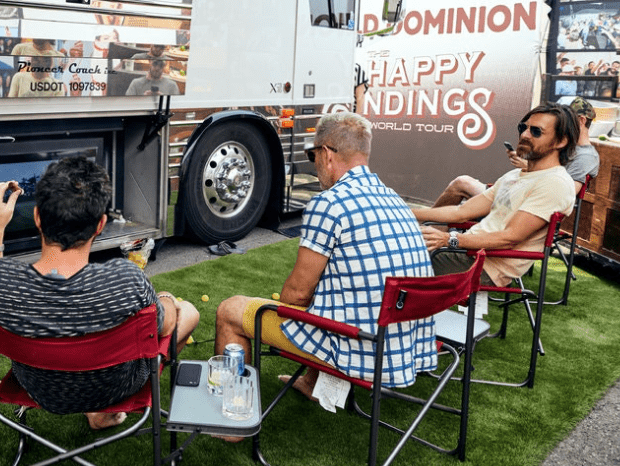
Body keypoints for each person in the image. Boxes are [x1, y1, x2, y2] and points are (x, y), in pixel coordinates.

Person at [214, 112, 436, 404]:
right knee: (330, 296)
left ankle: (231, 417)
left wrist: (276, 311)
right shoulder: (395, 198)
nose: (314, 162)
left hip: (357, 346)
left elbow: (297, 294)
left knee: (231, 311)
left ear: (327, 154)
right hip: (404, 345)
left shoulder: (329, 202)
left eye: (312, 154)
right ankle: (311, 383)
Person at [0, 156, 199, 430]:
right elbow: (165, 326)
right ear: (100, 224)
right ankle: (102, 413)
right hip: (114, 389)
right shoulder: (126, 280)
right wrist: (164, 297)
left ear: (37, 217)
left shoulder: (1, 281)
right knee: (187, 312)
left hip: (39, 389)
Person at [413, 103, 578, 287]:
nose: (524, 135)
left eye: (536, 131)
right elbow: (460, 213)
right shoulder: (516, 175)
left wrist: (449, 239)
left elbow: (509, 238)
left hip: (483, 265)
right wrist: (406, 211)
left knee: (395, 258)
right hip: (468, 252)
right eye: (523, 128)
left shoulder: (555, 183)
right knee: (396, 249)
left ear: (561, 141)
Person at [431, 97, 599, 207]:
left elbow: (564, 193)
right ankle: (430, 234)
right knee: (461, 198)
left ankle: (423, 234)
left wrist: (528, 167)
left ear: (581, 121)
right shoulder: (564, 146)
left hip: (523, 203)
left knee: (462, 184)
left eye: (565, 120)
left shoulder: (585, 157)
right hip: (517, 193)